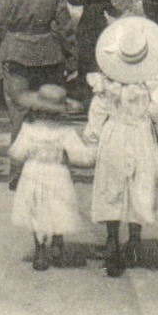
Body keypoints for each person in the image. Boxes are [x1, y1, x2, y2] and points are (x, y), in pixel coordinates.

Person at [84, 16, 158, 278]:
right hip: (141, 135)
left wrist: (93, 135)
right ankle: (134, 240)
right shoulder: (151, 83)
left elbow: (98, 111)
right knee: (141, 183)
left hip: (114, 133)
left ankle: (112, 238)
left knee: (111, 184)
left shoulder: (107, 81)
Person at [0, 0, 74, 189]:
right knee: (49, 113)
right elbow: (66, 27)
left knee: (18, 114)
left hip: (16, 54)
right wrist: (72, 60)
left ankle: (18, 174)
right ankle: (52, 170)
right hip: (49, 55)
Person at [8, 84, 95, 271]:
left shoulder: (29, 130)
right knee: (58, 208)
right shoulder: (65, 132)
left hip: (33, 172)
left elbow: (17, 153)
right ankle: (57, 243)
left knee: (36, 209)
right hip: (57, 173)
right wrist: (93, 150)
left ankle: (40, 249)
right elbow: (80, 157)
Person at [65, 0, 115, 103]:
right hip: (99, 30)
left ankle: (83, 91)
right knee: (97, 61)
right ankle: (95, 91)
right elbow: (114, 12)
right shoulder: (103, 0)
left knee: (84, 62)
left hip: (85, 29)